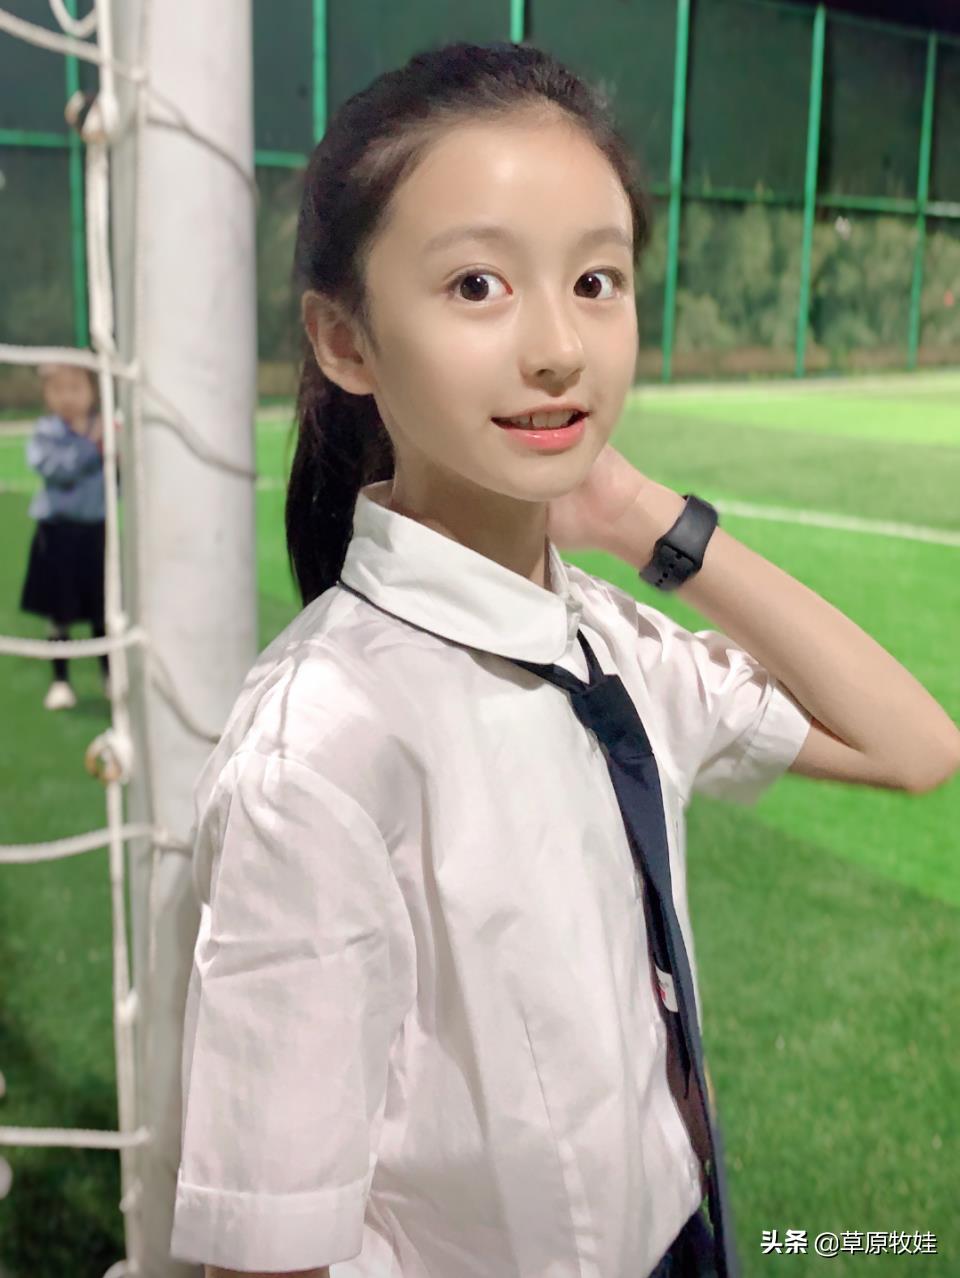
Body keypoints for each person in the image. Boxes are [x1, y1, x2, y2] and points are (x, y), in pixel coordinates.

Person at [169, 41, 960, 1278]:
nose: (558, 348)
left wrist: (646, 518)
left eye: (597, 280)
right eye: (477, 284)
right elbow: (270, 1255)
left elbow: (915, 747)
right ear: (345, 341)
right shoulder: (322, 754)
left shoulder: (612, 643)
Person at [19, 362, 110, 709]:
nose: (67, 397)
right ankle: (60, 681)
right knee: (59, 613)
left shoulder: (105, 428)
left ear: (92, 390)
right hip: (56, 535)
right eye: (57, 389)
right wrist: (92, 443)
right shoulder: (46, 433)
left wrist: (113, 448)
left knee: (103, 610)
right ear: (45, 394)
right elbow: (58, 469)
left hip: (95, 534)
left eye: (76, 388)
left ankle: (110, 676)